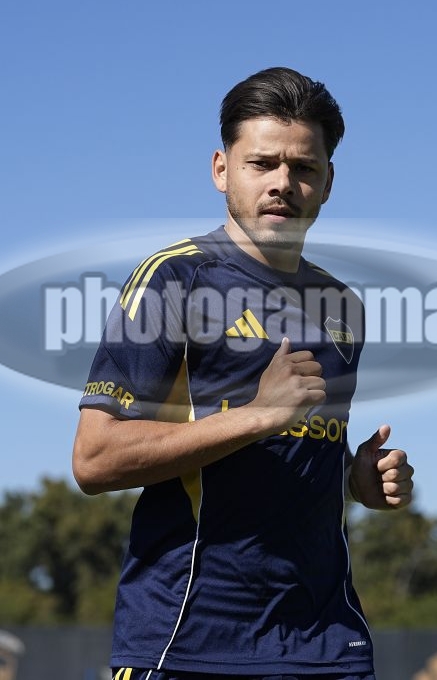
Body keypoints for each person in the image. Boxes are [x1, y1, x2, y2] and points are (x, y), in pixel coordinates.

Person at [73, 67, 414, 680]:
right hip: (189, 643)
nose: (283, 183)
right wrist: (257, 415)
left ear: (328, 182)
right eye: (262, 163)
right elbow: (95, 460)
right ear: (221, 169)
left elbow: (293, 454)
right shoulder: (173, 280)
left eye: (303, 167)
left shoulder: (344, 308)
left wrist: (354, 482)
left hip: (327, 646)